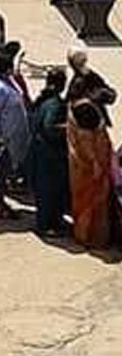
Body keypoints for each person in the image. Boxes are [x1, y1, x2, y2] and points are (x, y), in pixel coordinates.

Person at [65, 48, 116, 248]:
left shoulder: (77, 99)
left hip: (81, 163)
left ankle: (84, 234)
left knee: (83, 198)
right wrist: (95, 162)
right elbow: (88, 142)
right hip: (91, 163)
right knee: (95, 200)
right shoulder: (86, 110)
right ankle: (93, 237)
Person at [0, 55, 29, 219]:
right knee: (1, 172)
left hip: (14, 136)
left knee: (6, 169)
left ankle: (1, 202)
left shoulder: (7, 81)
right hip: (4, 138)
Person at [29, 67, 71, 236]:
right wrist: (70, 128)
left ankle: (51, 222)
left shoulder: (43, 99)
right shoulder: (55, 104)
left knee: (46, 190)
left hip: (40, 152)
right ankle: (46, 226)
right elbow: (50, 127)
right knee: (50, 191)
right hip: (50, 155)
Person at [67, 47, 116, 127]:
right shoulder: (78, 79)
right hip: (84, 122)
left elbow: (110, 95)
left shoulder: (90, 77)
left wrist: (92, 98)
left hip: (92, 121)